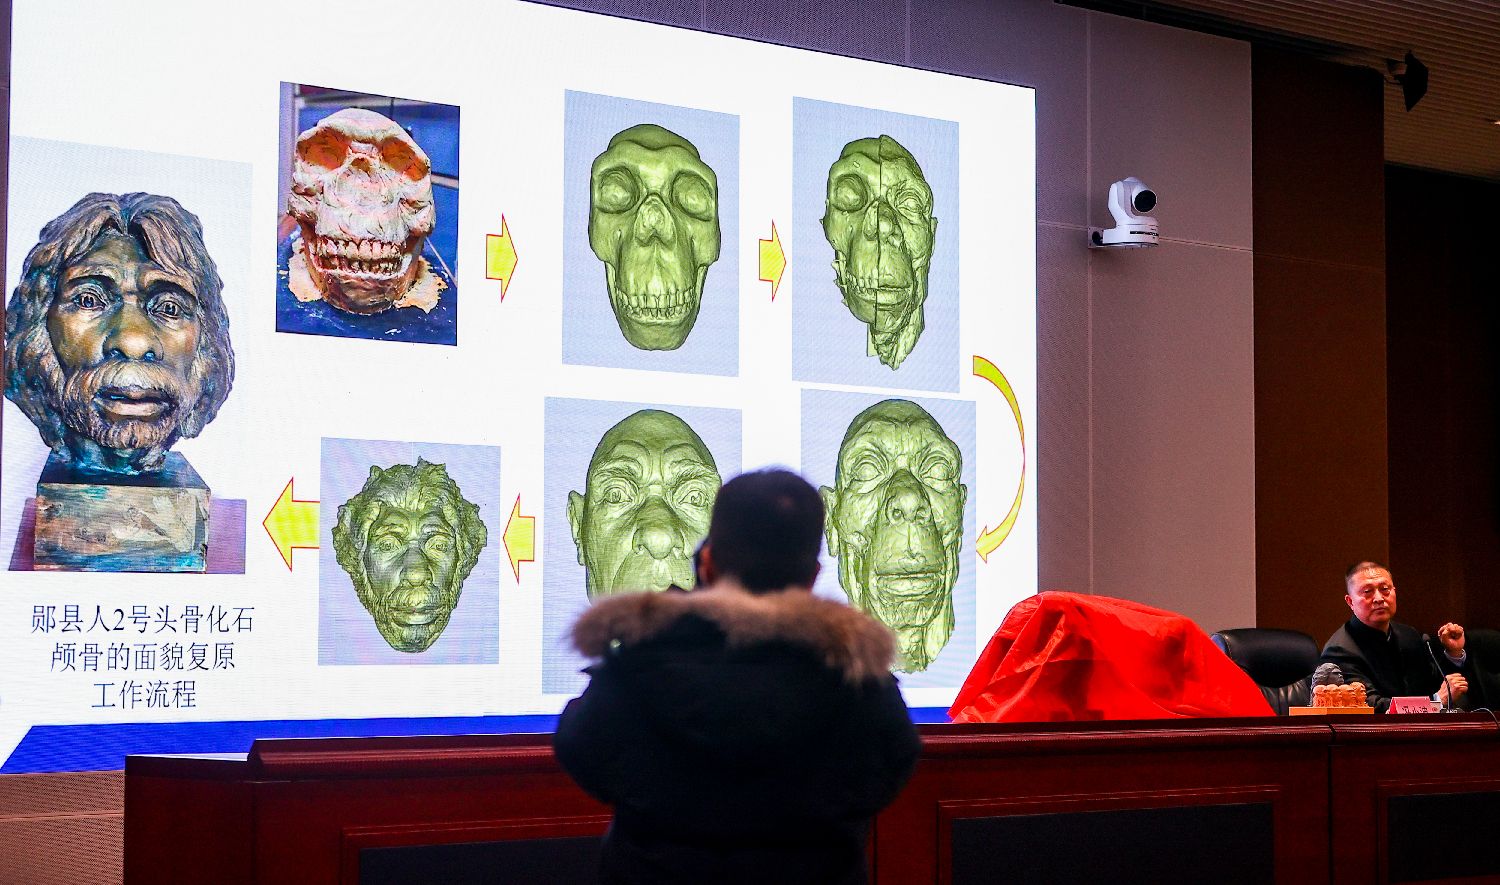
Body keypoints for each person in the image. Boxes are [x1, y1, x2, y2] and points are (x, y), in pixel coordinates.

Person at [553, 468, 921, 885]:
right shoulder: (859, 682)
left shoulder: (636, 667)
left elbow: (581, 749)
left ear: (707, 564)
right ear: (812, 577)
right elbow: (891, 764)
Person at [1320, 560, 1482, 713]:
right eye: (1367, 592)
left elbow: (1435, 683)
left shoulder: (1408, 635)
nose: (1379, 598)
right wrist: (1435, 701)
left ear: (1394, 592)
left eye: (1385, 589)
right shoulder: (1340, 650)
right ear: (1350, 601)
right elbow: (1370, 706)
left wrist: (1453, 654)